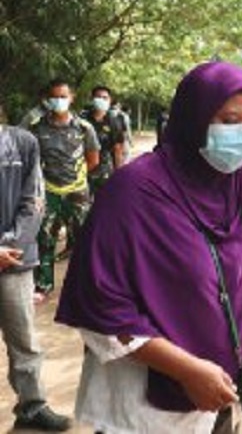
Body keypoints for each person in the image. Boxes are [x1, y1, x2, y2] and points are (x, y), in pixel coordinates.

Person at [55, 62, 242, 433]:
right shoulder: (134, 192)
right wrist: (186, 370)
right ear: (194, 120)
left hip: (223, 400)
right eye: (228, 121)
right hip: (145, 416)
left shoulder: (241, 188)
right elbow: (99, 304)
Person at [0, 112, 71, 431]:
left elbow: (34, 200)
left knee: (24, 339)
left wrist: (9, 246)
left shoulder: (22, 142)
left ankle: (32, 406)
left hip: (14, 261)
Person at [29, 79, 100, 298]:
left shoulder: (84, 128)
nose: (59, 101)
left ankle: (84, 285)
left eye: (63, 96)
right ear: (47, 99)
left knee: (83, 239)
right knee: (45, 238)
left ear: (72, 98)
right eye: (55, 97)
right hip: (48, 192)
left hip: (77, 193)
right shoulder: (37, 127)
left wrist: (76, 180)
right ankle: (43, 284)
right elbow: (33, 159)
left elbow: (93, 159)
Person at [83, 86, 126, 196]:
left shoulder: (114, 122)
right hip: (83, 169)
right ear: (92, 99)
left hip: (104, 170)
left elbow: (118, 150)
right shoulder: (82, 120)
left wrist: (119, 175)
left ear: (110, 100)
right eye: (98, 97)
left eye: (105, 98)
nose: (101, 100)